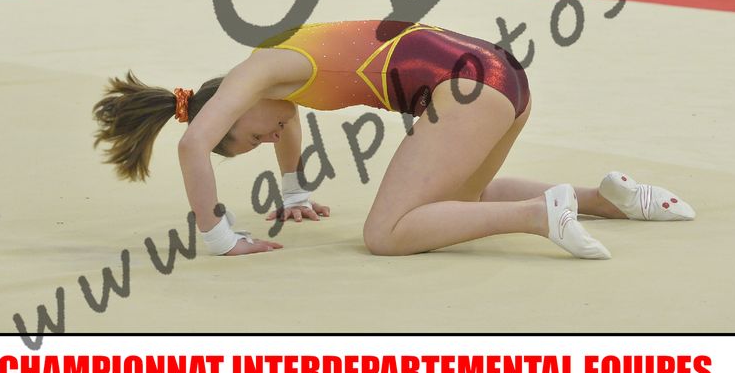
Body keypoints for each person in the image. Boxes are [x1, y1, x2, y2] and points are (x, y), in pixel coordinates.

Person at [92, 19, 696, 259]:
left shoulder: (255, 72)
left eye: (251, 137)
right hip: (502, 76)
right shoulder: (278, 74)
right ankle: (608, 199)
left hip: (465, 89)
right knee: (454, 204)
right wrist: (294, 192)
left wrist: (218, 236)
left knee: (385, 234)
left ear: (232, 107)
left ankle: (539, 215)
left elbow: (191, 146)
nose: (270, 135)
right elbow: (287, 124)